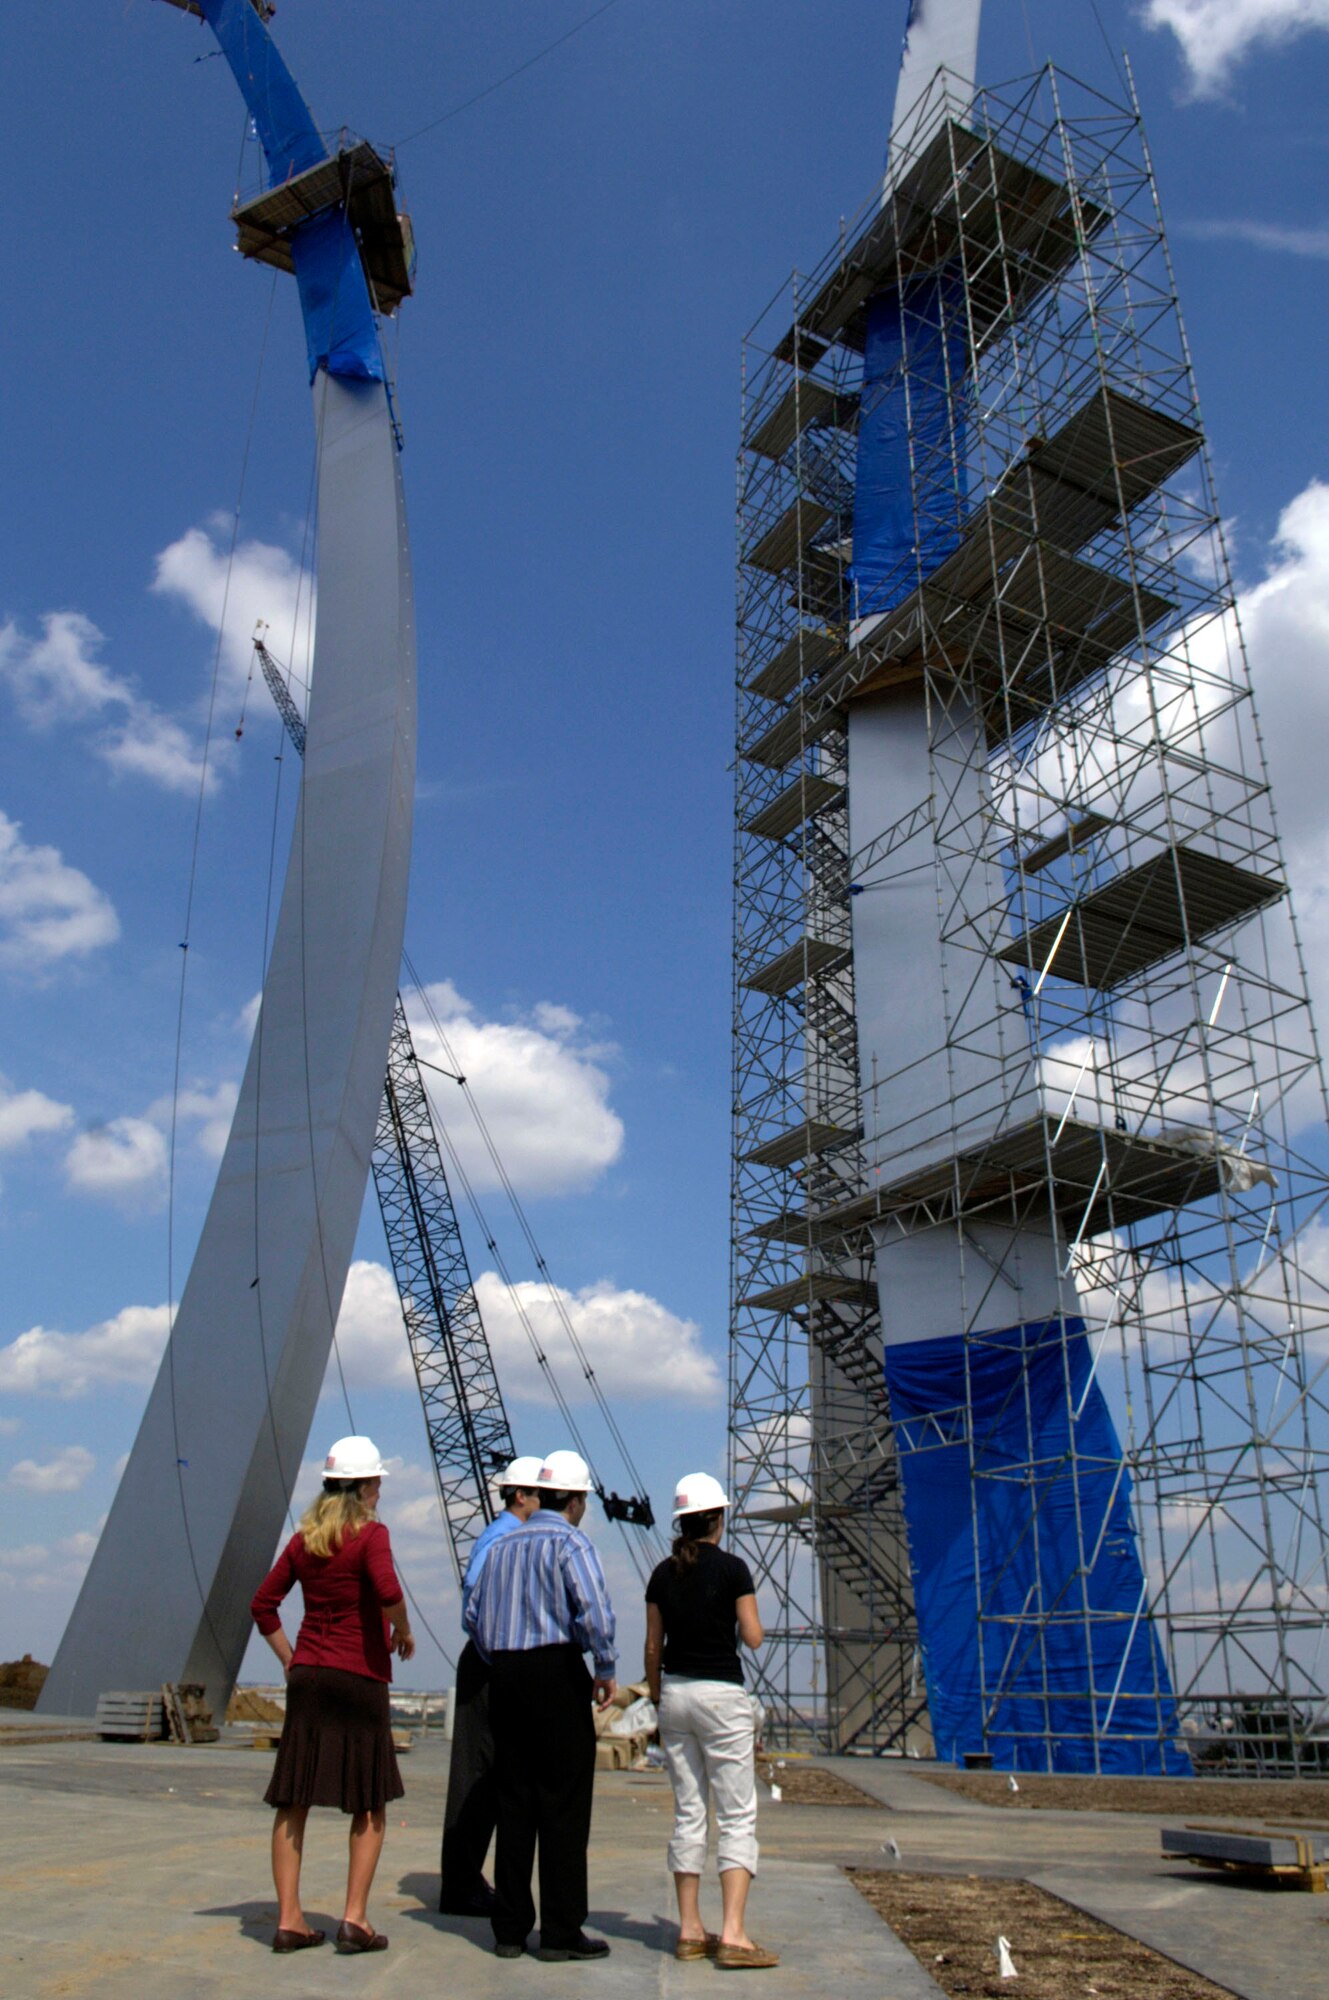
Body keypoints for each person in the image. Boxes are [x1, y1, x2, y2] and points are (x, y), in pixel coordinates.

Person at [250, 1435, 415, 1955]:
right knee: (368, 1802)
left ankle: (289, 1920)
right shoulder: (371, 1535)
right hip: (359, 1675)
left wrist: (289, 1657)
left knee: (292, 1798)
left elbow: (263, 1605)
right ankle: (354, 1920)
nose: (380, 1495)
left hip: (309, 1678)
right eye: (378, 1485)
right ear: (365, 1486)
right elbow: (388, 1591)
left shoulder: (304, 1540)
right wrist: (402, 1632)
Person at [465, 1448, 617, 1963]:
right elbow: (594, 1610)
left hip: (506, 1673)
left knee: (514, 1801)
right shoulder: (571, 1542)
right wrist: (605, 1666)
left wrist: (500, 1659)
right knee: (564, 1805)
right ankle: (559, 1931)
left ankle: (508, 1929)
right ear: (574, 1500)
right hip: (556, 1671)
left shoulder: (504, 1545)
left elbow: (475, 1614)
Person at [644, 1472, 778, 1971]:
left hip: (675, 1693)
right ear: (718, 1519)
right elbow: (754, 1635)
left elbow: (652, 1646)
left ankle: (690, 1930)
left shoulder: (662, 1573)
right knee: (738, 1813)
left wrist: (658, 1700)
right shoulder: (734, 1569)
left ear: (681, 1522)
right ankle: (735, 1934)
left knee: (689, 1812)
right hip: (722, 1694)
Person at [438, 1452, 544, 1915]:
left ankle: (468, 1878)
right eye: (541, 1493)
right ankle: (461, 1885)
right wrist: (496, 1655)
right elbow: (474, 1609)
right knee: (475, 1775)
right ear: (521, 1495)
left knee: (491, 1773)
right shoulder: (500, 1539)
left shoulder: (507, 1536)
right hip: (487, 1666)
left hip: (492, 1662)